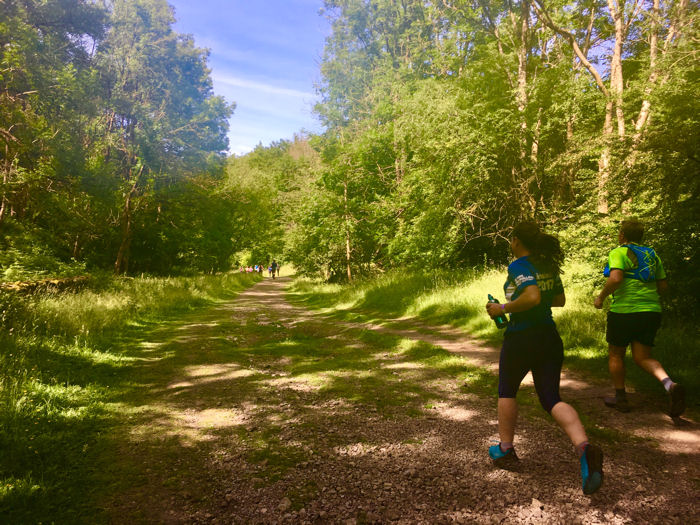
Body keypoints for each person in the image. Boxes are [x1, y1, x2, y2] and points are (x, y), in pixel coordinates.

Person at [486, 221, 603, 495]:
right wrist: (526, 302)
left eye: (510, 239)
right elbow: (558, 299)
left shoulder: (519, 266)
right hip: (549, 338)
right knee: (551, 398)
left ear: (516, 241)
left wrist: (502, 307)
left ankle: (505, 450)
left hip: (522, 337)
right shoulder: (547, 265)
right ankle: (584, 448)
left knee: (507, 390)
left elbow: (534, 296)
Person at [594, 218, 685, 417]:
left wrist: (601, 297)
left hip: (624, 312)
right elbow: (663, 287)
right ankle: (670, 385)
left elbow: (616, 278)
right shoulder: (653, 255)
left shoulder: (619, 252)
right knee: (643, 357)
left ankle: (621, 398)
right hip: (651, 311)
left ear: (622, 236)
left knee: (616, 354)